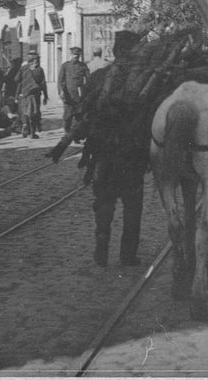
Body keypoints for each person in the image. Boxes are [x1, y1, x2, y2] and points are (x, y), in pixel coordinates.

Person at [53, 30, 145, 266]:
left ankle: (101, 251)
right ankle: (127, 255)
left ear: (115, 51)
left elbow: (84, 114)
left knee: (104, 203)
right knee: (132, 205)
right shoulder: (144, 79)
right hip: (132, 155)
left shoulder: (99, 77)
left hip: (103, 154)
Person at [58, 46, 90, 134]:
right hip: (68, 94)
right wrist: (61, 91)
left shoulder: (83, 66)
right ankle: (67, 133)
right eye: (74, 55)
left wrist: (85, 91)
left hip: (79, 95)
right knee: (67, 116)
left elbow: (88, 80)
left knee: (78, 116)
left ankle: (75, 135)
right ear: (71, 54)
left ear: (80, 55)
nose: (76, 57)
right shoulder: (65, 65)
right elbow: (60, 81)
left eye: (77, 55)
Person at [17, 50, 47, 138]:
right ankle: (32, 133)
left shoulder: (23, 68)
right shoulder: (39, 69)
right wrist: (45, 95)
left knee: (25, 111)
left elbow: (17, 79)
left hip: (25, 94)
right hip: (36, 94)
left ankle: (25, 124)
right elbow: (43, 83)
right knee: (34, 113)